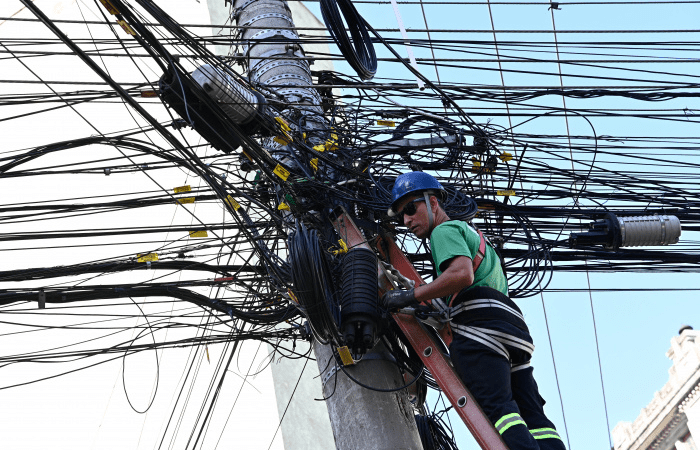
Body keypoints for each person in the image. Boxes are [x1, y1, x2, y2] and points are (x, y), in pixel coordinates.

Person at [382, 171, 566, 450]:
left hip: (480, 333)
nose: (406, 220)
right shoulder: (475, 236)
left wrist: (410, 294)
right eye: (401, 216)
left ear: (433, 203)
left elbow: (461, 275)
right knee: (533, 414)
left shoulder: (444, 231)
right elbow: (471, 284)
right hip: (513, 331)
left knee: (500, 411)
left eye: (411, 209)